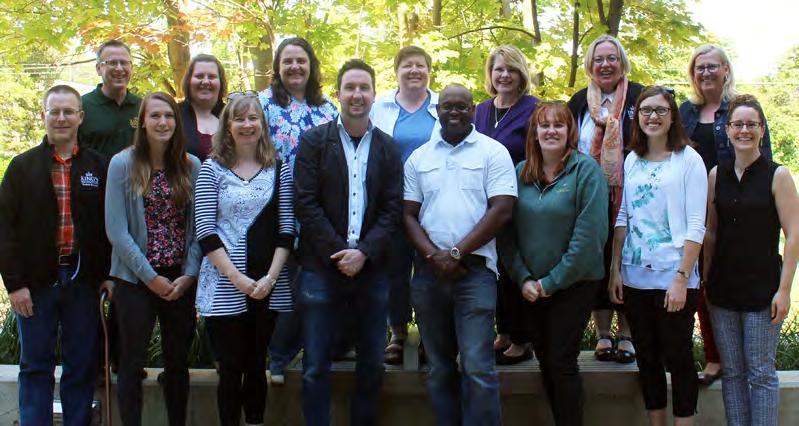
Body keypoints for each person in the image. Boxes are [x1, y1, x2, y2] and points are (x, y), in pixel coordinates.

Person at [293, 59, 403, 426]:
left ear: (374, 93)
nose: (357, 94)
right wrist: (339, 253)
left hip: (373, 270)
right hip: (320, 268)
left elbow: (392, 208)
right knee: (315, 366)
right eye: (350, 87)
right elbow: (305, 202)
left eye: (364, 87)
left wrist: (364, 253)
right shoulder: (314, 142)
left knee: (372, 364)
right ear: (337, 93)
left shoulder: (388, 147)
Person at [404, 84, 517, 426]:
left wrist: (455, 253)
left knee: (477, 367)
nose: (454, 112)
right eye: (447, 106)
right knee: (438, 367)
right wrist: (434, 257)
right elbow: (407, 215)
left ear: (473, 110)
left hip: (475, 273)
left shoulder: (493, 152)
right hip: (428, 275)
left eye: (462, 106)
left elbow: (502, 209)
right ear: (437, 110)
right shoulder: (419, 158)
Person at [0, 85, 111, 426]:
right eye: (55, 111)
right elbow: (4, 230)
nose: (61, 118)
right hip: (35, 286)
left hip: (84, 283)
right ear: (43, 116)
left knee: (81, 365)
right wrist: (14, 285)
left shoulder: (99, 166)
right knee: (36, 366)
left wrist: (108, 276)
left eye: (68, 111)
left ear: (81, 117)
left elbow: (110, 227)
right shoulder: (22, 167)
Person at [500, 101, 608, 425]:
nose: (551, 131)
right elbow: (506, 233)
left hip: (575, 284)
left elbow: (589, 237)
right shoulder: (520, 173)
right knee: (546, 360)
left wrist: (550, 282)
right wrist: (523, 278)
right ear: (534, 132)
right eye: (544, 125)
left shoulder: (586, 171)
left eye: (558, 125)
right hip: (530, 288)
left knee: (562, 360)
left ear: (569, 131)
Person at [194, 93, 295, 426]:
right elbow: (205, 231)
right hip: (225, 283)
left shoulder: (279, 169)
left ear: (262, 124)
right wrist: (237, 279)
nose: (247, 125)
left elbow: (286, 230)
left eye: (253, 118)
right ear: (228, 126)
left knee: (256, 364)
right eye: (239, 119)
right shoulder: (211, 169)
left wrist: (270, 279)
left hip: (267, 285)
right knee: (229, 367)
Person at [609, 86, 707, 426]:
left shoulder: (688, 159)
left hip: (674, 276)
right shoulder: (632, 159)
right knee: (647, 357)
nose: (653, 116)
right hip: (635, 275)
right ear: (637, 116)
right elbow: (623, 216)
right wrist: (616, 269)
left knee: (678, 356)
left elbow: (696, 224)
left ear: (672, 116)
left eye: (661, 110)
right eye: (646, 110)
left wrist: (681, 278)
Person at [105, 92, 202, 426]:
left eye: (169, 116)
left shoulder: (191, 165)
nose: (163, 122)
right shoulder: (122, 164)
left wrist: (189, 274)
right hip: (135, 279)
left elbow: (198, 228)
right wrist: (150, 278)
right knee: (131, 362)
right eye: (155, 116)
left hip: (179, 280)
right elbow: (117, 231)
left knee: (177, 362)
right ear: (142, 122)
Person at [679, 44, 773, 386]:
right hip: (690, 204)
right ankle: (713, 357)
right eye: (699, 67)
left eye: (712, 66)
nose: (705, 72)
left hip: (731, 204)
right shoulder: (685, 111)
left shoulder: (742, 109)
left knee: (727, 277)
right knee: (700, 279)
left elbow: (764, 157)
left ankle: (741, 357)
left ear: (725, 70)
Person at [703, 94, 798, 426]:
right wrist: (706, 277)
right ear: (728, 130)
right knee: (732, 372)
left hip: (763, 289)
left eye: (751, 124)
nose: (744, 130)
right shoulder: (716, 175)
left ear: (761, 130)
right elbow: (711, 232)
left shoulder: (777, 175)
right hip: (723, 289)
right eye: (738, 124)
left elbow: (793, 234)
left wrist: (784, 290)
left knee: (760, 372)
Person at [258, 37, 338, 384]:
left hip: (319, 213)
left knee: (313, 287)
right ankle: (277, 356)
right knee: (283, 288)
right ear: (277, 67)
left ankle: (309, 351)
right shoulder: (263, 104)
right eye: (287, 61)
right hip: (274, 209)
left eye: (301, 60)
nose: (294, 67)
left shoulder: (328, 108)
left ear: (311, 66)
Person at [567, 34, 642, 364]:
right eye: (599, 59)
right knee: (597, 256)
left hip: (632, 192)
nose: (605, 64)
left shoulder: (639, 97)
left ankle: (626, 334)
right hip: (588, 194)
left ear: (622, 62)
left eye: (612, 58)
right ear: (590, 65)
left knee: (624, 257)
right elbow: (569, 145)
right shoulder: (579, 101)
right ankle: (602, 334)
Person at [370, 45, 439, 365]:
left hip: (433, 203)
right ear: (396, 71)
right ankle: (398, 333)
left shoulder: (442, 105)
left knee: (429, 269)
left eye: (420, 65)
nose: (414, 71)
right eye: (407, 65)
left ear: (429, 71)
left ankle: (429, 334)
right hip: (391, 203)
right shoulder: (379, 107)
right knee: (395, 270)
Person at [473, 44, 541, 365]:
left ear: (521, 74)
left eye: (511, 69)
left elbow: (541, 155)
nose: (504, 75)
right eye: (498, 69)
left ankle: (523, 338)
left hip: (521, 200)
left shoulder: (533, 109)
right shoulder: (480, 110)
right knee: (494, 268)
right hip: (483, 203)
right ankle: (504, 331)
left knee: (515, 267)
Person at [79, 39, 142, 158]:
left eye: (124, 63)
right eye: (112, 63)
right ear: (99, 68)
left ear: (131, 67)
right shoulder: (82, 107)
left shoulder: (143, 107)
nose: (119, 68)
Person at [179, 54, 227, 162]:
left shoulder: (232, 116)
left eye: (211, 77)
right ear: (189, 81)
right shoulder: (174, 115)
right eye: (199, 76)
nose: (205, 81)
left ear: (220, 82)